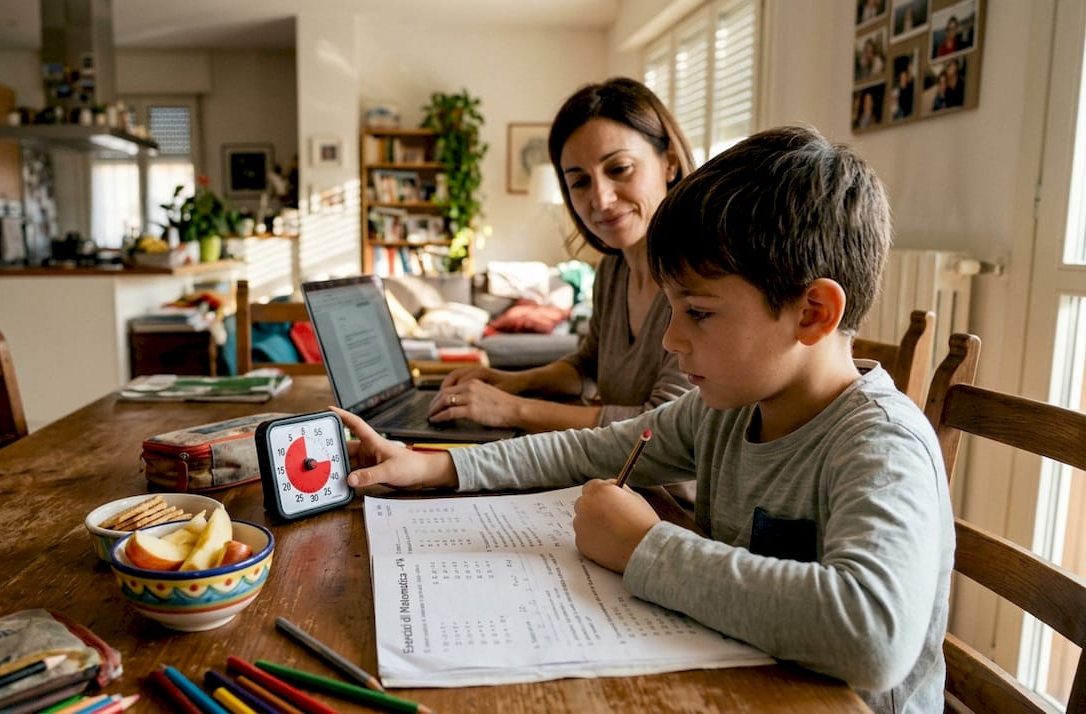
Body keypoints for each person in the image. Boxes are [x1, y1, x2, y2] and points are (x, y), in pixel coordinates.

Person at [338, 125, 952, 714]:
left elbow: (873, 637)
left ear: (812, 312)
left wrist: (644, 546)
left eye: (699, 313)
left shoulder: (880, 445)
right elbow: (586, 451)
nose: (672, 340)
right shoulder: (728, 411)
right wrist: (436, 465)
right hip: (742, 678)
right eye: (670, 307)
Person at [428, 77, 694, 433]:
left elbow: (664, 429)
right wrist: (511, 382)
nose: (600, 199)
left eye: (619, 169)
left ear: (670, 164)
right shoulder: (614, 270)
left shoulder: (702, 279)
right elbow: (587, 366)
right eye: (580, 182)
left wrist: (512, 410)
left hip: (664, 489)